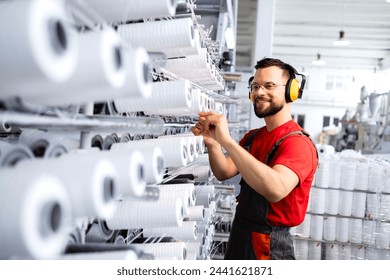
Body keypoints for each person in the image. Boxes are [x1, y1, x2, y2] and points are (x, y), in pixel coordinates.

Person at [191, 57, 318, 260]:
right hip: (241, 231)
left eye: (269, 85)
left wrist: (228, 142)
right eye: (256, 86)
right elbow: (224, 172)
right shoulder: (253, 137)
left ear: (291, 91)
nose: (259, 92)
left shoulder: (297, 144)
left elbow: (275, 189)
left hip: (268, 243)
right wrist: (213, 143)